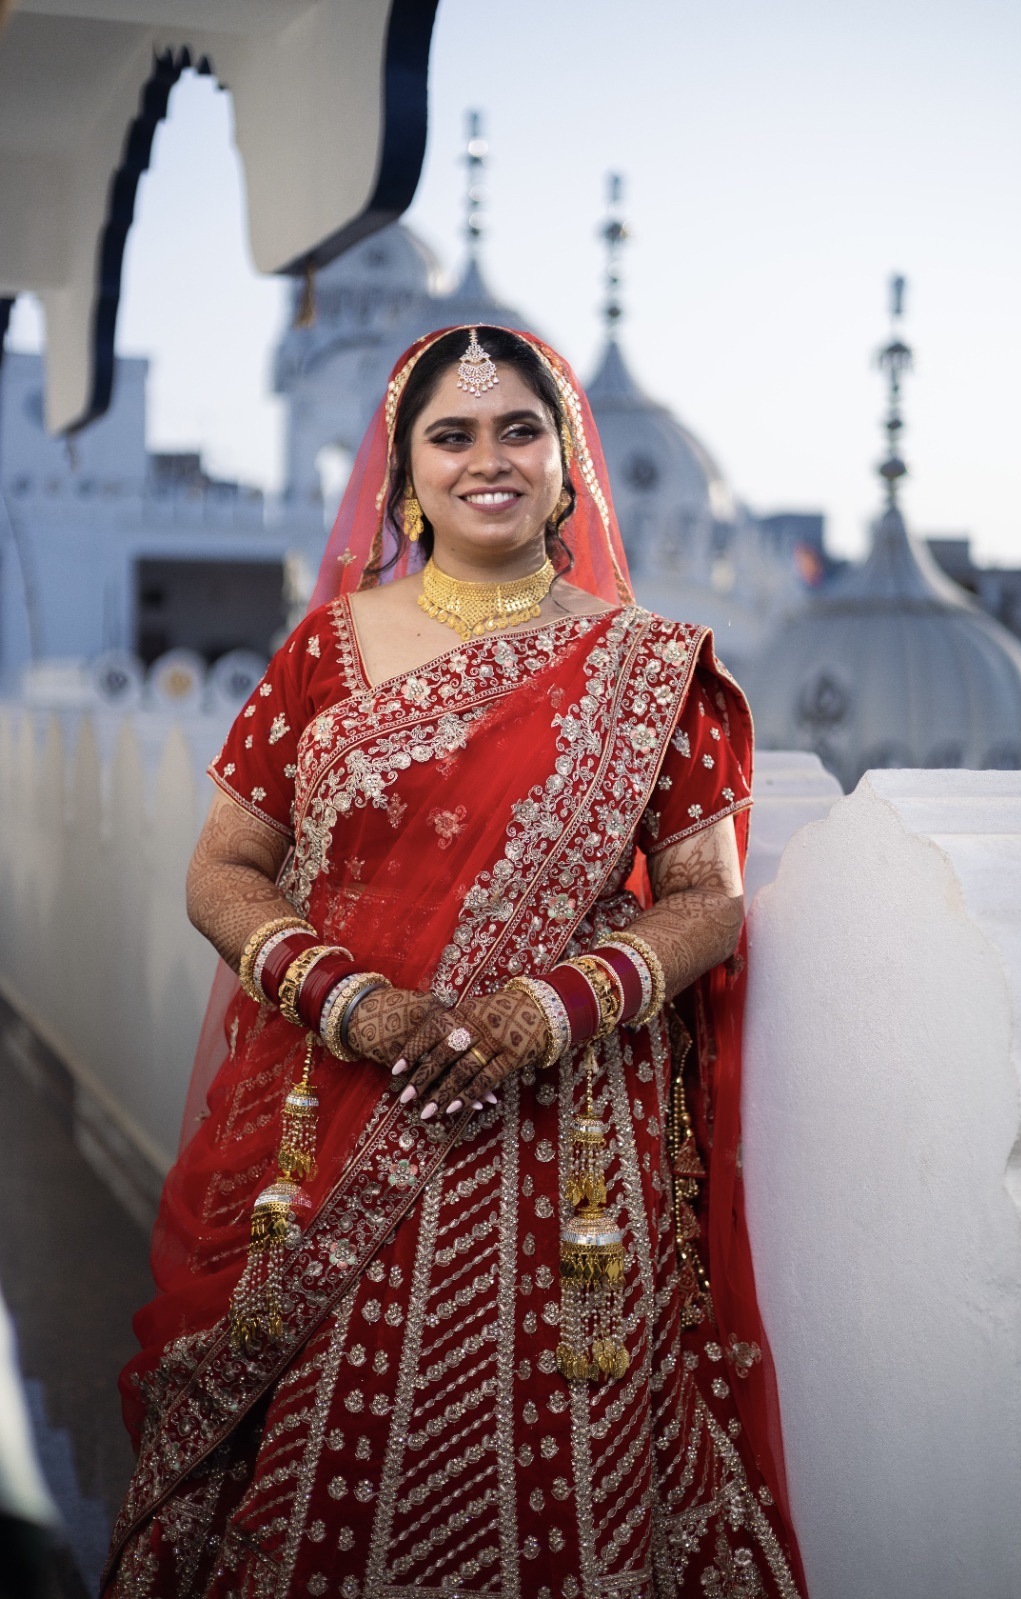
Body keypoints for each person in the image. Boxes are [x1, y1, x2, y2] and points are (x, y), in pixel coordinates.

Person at [103, 327, 807, 1598]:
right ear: (402, 472)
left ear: (568, 457)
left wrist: (545, 1009)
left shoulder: (654, 673)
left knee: (551, 1470)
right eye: (451, 434)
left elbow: (707, 901)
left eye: (519, 429)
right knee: (316, 1459)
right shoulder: (323, 653)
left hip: (566, 1144)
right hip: (338, 1111)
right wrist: (356, 1004)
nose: (489, 460)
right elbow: (223, 871)